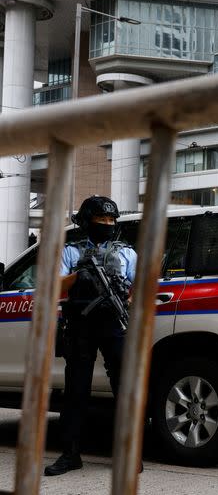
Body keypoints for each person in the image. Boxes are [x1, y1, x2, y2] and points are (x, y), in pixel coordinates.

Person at [44, 196, 139, 476]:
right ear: (87, 222)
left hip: (113, 323)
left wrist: (126, 298)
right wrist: (80, 275)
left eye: (111, 220)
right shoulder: (70, 252)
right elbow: (54, 283)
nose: (107, 224)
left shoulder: (127, 253)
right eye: (101, 219)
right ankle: (70, 453)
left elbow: (141, 284)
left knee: (124, 389)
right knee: (76, 391)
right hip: (81, 324)